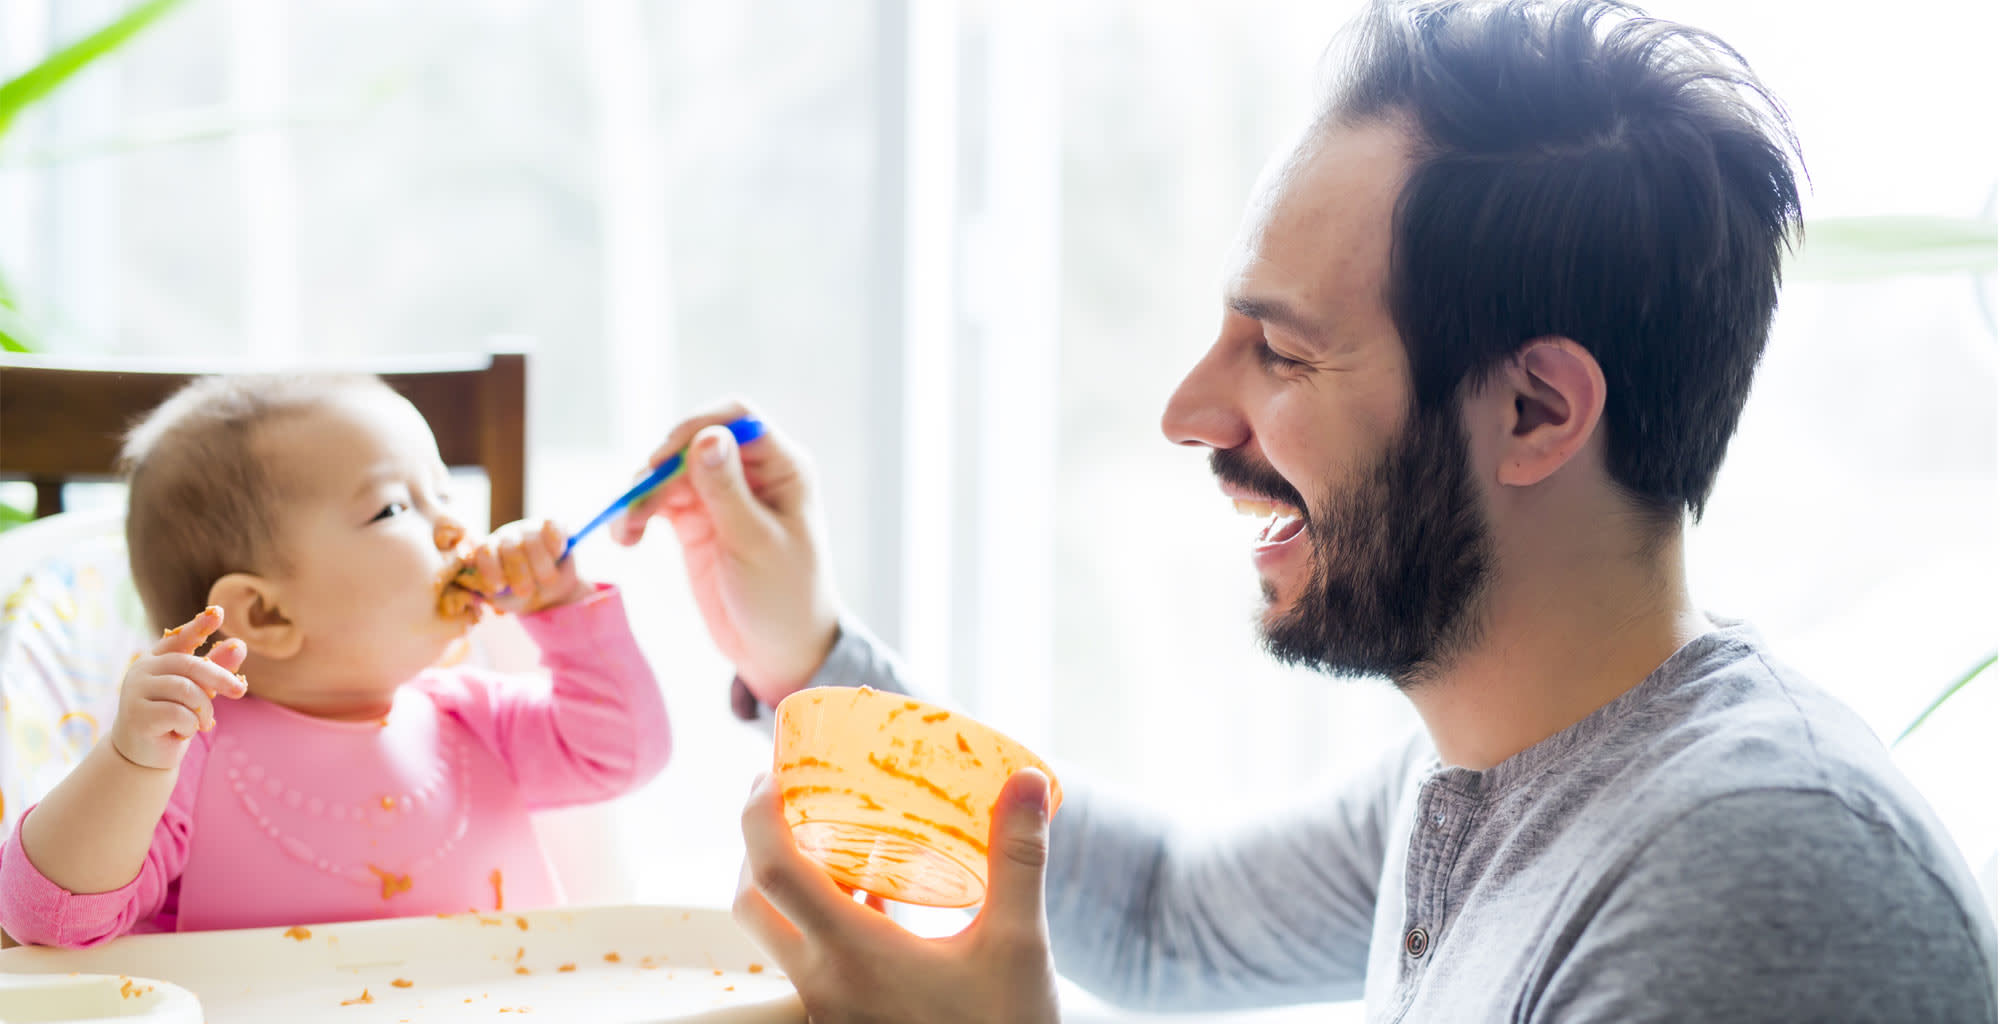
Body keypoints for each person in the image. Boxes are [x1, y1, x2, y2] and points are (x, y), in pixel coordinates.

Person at [617, 0, 2000, 1019]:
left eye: (1281, 354)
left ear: (1535, 413)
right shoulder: (1489, 767)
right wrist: (808, 656)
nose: (1188, 415)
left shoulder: (1762, 881)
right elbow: (1166, 921)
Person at [0, 374, 671, 947]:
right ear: (266, 615)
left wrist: (566, 609)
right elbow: (52, 922)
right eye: (394, 507)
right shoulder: (184, 762)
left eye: (444, 492)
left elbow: (622, 752)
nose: (455, 528)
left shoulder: (474, 718)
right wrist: (132, 761)